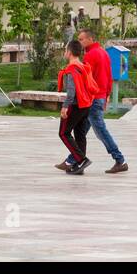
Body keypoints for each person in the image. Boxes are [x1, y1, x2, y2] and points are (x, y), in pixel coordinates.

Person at [61, 28, 128, 174]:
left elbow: (84, 80)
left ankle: (120, 160)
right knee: (81, 131)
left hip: (93, 99)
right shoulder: (104, 52)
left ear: (90, 39)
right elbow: (109, 75)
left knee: (100, 131)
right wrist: (107, 94)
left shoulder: (90, 56)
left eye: (81, 39)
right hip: (100, 96)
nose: (79, 42)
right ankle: (73, 160)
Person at [56, 39, 95, 175]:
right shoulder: (84, 66)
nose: (65, 52)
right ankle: (80, 166)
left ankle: (81, 159)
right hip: (86, 105)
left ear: (70, 52)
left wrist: (65, 107)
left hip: (75, 105)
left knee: (63, 133)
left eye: (66, 50)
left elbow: (71, 92)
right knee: (79, 135)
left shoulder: (71, 70)